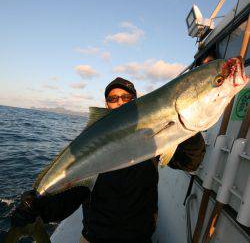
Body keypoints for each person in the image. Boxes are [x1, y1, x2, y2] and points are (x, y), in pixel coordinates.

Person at [11, 77, 205, 243]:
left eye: (127, 97)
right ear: (106, 105)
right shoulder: (91, 148)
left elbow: (191, 162)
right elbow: (69, 197)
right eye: (113, 98)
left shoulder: (153, 140)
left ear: (136, 103)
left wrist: (185, 125)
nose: (120, 102)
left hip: (139, 238)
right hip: (94, 238)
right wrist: (37, 209)